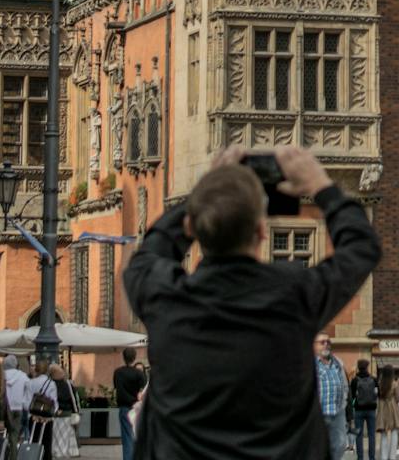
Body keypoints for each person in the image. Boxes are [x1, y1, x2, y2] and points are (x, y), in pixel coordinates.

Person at [121, 144, 382, 460]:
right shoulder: (293, 295)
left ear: (191, 227)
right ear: (261, 231)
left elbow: (150, 251)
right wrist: (321, 186)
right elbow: (362, 248)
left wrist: (208, 189)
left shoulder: (166, 298)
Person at [317, 337, 350, 460]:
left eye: (328, 342)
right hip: (319, 414)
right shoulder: (309, 363)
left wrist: (343, 405)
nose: (326, 345)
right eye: (322, 342)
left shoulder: (337, 363)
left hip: (337, 413)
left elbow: (345, 386)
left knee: (340, 445)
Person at [113, 349, 147, 460]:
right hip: (137, 408)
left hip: (124, 408)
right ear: (134, 357)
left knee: (127, 437)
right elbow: (143, 391)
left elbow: (116, 388)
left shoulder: (118, 372)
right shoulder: (139, 374)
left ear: (123, 357)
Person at [44, 364, 79, 458]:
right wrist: (75, 412)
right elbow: (73, 400)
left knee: (57, 438)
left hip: (58, 415)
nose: (63, 372)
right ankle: (61, 453)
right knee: (62, 438)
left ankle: (58, 453)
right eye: (60, 371)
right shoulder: (67, 384)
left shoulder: (49, 383)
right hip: (62, 414)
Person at [3, 357, 36, 446]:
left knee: (7, 430)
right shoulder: (22, 376)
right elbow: (30, 389)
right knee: (18, 430)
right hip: (20, 406)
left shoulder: (1, 376)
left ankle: (8, 447)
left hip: (6, 407)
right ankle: (19, 446)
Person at [355, 361, 382, 460]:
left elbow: (352, 396)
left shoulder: (355, 380)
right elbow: (378, 394)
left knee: (359, 435)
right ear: (367, 367)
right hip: (371, 409)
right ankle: (372, 457)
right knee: (372, 435)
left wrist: (355, 403)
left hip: (358, 410)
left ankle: (360, 457)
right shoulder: (374, 379)